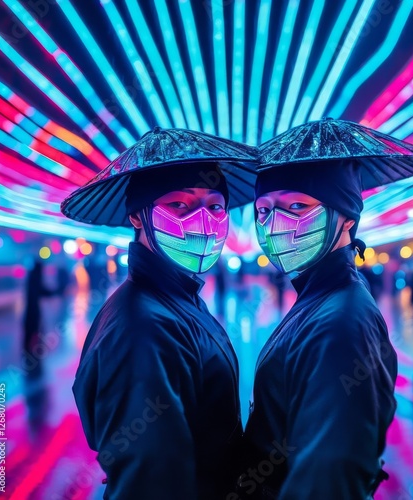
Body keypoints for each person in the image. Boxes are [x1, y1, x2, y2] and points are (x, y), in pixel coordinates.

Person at [241, 118, 413, 499]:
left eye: (297, 205)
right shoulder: (320, 297)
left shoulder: (341, 324)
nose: (275, 224)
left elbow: (328, 477)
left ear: (346, 217)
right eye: (264, 211)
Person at [62, 128, 257, 499]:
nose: (202, 221)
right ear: (138, 217)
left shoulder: (176, 298)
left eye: (215, 206)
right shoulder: (143, 325)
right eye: (179, 205)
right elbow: (152, 477)